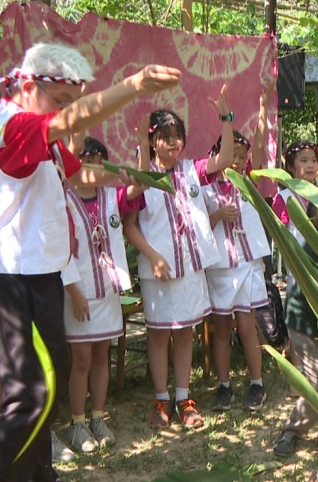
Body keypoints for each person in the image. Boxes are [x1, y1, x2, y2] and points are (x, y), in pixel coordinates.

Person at [0, 42, 180, 482]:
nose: (65, 111)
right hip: (11, 281)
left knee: (51, 380)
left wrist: (122, 175)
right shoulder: (13, 127)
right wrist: (135, 84)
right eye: (60, 100)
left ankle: (37, 471)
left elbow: (76, 173)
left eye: (70, 101)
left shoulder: (40, 138)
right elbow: (70, 122)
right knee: (30, 392)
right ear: (28, 87)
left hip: (40, 276)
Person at [123, 88, 234, 430]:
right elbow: (129, 226)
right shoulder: (142, 176)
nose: (173, 142)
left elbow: (225, 159)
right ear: (152, 141)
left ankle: (184, 399)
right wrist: (153, 257)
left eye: (177, 136)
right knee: (159, 336)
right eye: (165, 137)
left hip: (190, 269)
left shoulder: (192, 170)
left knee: (185, 333)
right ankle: (161, 399)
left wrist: (226, 118)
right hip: (160, 271)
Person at [61, 136, 147, 453]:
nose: (95, 168)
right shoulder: (63, 200)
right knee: (81, 359)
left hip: (107, 291)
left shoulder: (111, 197)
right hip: (79, 294)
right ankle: (77, 423)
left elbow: (139, 185)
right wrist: (73, 291)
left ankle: (98, 417)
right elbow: (60, 250)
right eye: (88, 161)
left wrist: (141, 146)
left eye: (100, 162)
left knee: (102, 355)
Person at [205, 86, 272, 413]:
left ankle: (257, 384)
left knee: (247, 326)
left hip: (247, 263)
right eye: (235, 154)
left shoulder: (248, 183)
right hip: (220, 267)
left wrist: (263, 108)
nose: (241, 160)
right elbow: (200, 226)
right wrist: (219, 214)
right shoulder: (205, 188)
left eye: (244, 157)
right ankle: (224, 386)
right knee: (220, 328)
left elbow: (260, 146)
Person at [272, 140, 318, 457]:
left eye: (314, 160)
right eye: (303, 160)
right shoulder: (285, 199)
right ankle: (292, 430)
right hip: (305, 306)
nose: (310, 165)